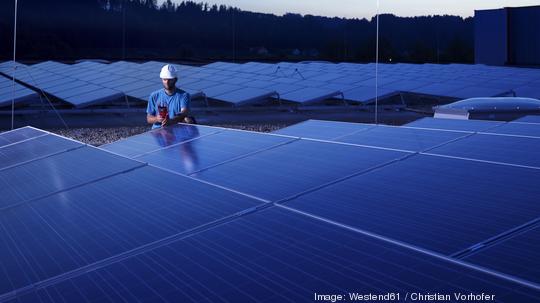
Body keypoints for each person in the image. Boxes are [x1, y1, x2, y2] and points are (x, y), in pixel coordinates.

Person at [146, 64, 196, 129]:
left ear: (175, 79)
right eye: (164, 79)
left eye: (170, 79)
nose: (167, 82)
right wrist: (157, 119)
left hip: (176, 131)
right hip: (158, 131)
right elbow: (149, 118)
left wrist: (171, 121)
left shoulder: (184, 95)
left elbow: (184, 113)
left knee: (188, 120)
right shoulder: (154, 96)